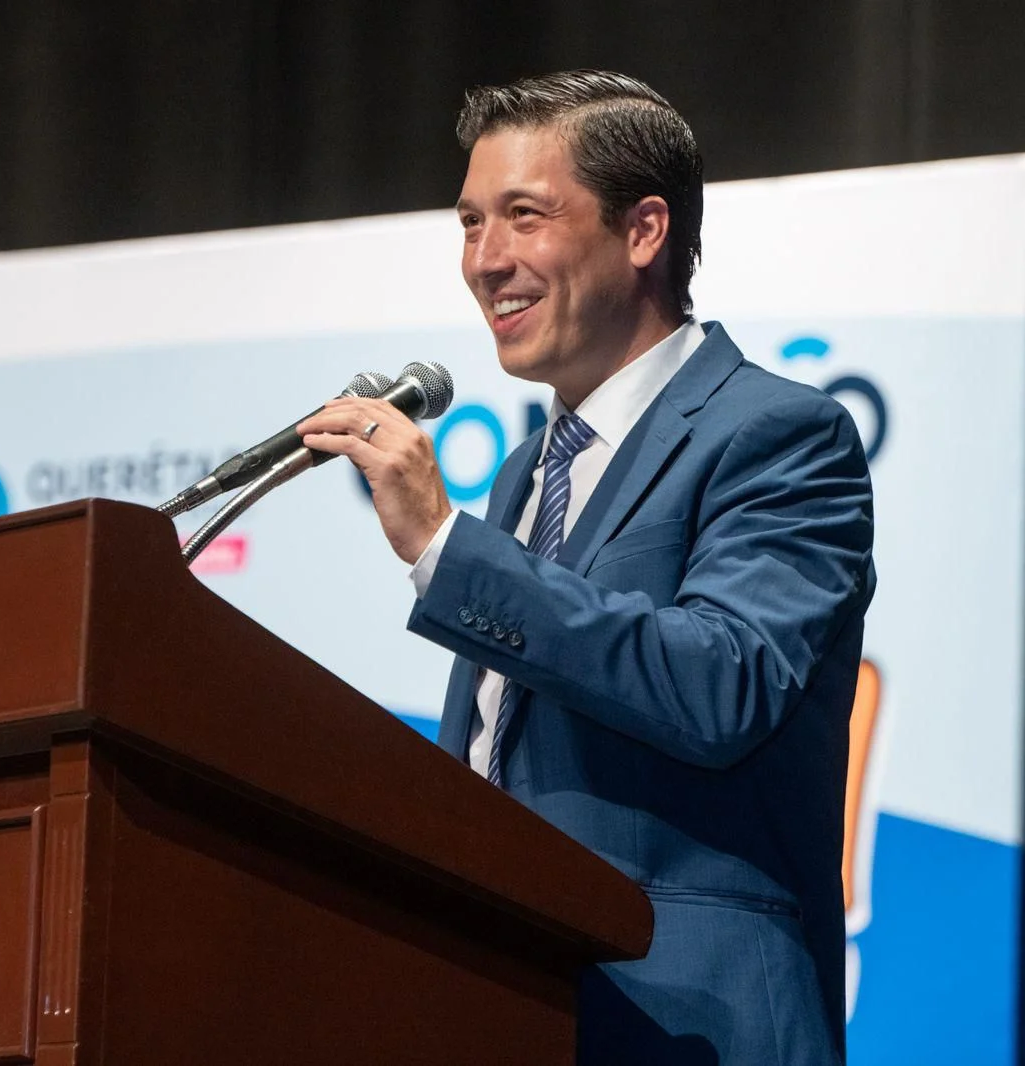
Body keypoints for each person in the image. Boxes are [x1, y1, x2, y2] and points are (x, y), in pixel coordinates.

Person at [299, 70, 875, 1065]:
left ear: (643, 230)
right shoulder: (526, 471)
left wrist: (446, 547)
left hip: (692, 1024)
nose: (485, 261)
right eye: (470, 223)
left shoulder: (778, 433)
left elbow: (722, 682)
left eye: (524, 216)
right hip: (510, 1012)